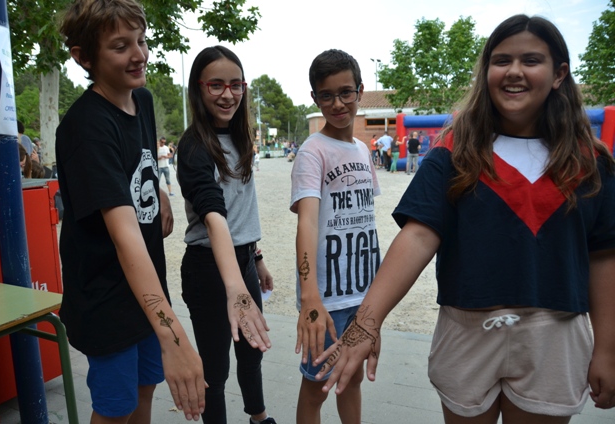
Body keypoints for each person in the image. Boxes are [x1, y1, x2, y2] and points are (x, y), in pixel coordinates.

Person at [315, 14, 615, 424]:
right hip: (467, 329)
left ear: (559, 73)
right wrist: (366, 324)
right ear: (486, 71)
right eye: (501, 60)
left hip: (554, 334)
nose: (514, 71)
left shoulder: (589, 162)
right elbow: (418, 236)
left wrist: (607, 349)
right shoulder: (455, 152)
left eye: (531, 60)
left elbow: (604, 256)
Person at [56, 1, 206, 422]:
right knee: (115, 409)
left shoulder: (142, 98)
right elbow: (124, 238)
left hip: (145, 289)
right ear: (84, 57)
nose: (139, 55)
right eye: (120, 46)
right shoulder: (86, 127)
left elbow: (138, 158)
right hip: (106, 298)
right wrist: (174, 335)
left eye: (141, 41)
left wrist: (157, 188)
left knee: (145, 391)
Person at [176, 45, 276, 424]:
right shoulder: (194, 146)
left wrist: (256, 257)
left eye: (236, 85)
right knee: (214, 370)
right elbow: (215, 215)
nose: (228, 94)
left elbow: (240, 209)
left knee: (253, 352)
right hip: (207, 269)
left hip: (244, 261)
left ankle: (259, 418)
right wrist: (235, 288)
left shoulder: (240, 137)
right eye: (216, 85)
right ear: (198, 88)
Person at [290, 49, 381, 424]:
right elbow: (307, 224)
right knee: (317, 388)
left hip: (363, 295)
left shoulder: (362, 150)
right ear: (315, 98)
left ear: (360, 91)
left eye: (345, 92)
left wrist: (376, 296)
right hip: (326, 300)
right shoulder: (312, 152)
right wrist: (310, 296)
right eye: (326, 95)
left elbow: (367, 221)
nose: (338, 103)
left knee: (351, 378)